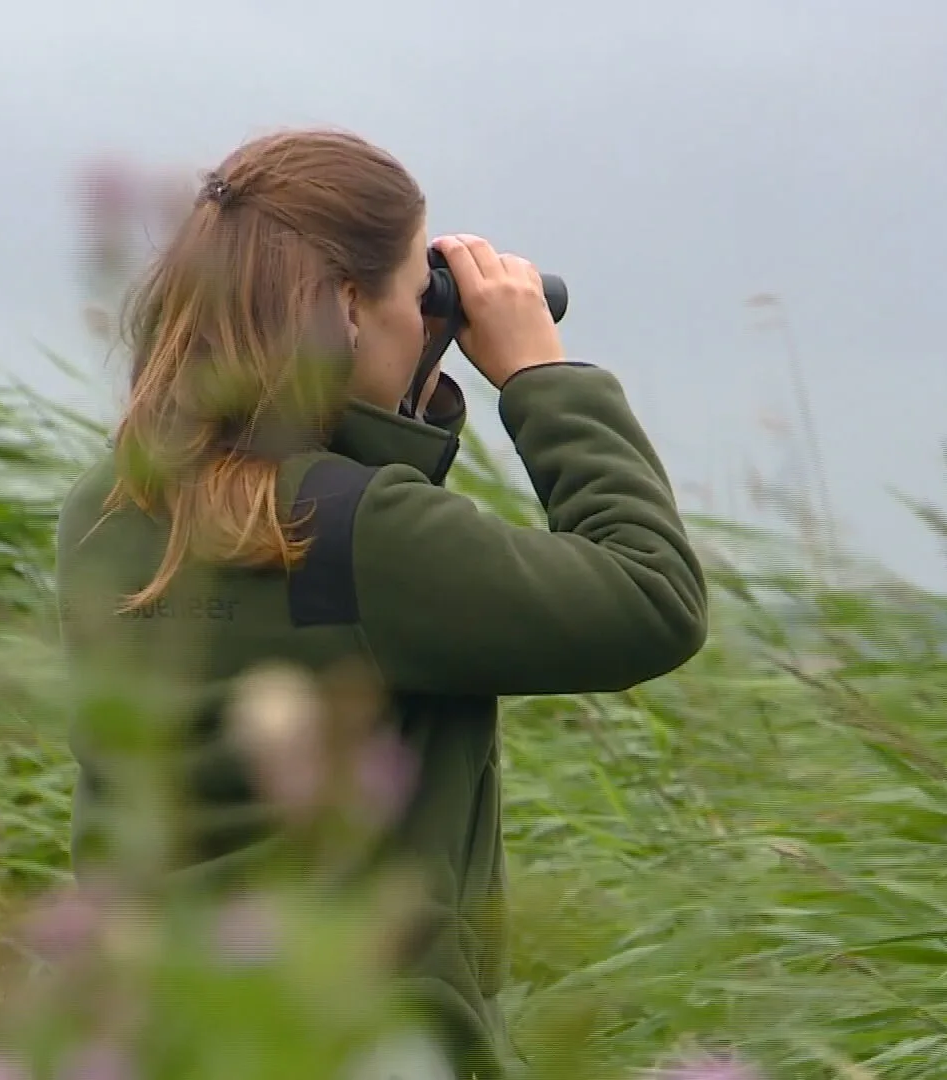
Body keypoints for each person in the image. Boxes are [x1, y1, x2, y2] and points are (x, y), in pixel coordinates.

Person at [55, 128, 708, 1078]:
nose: (429, 317)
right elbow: (655, 595)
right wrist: (539, 376)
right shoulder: (360, 535)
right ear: (349, 313)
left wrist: (401, 405)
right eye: (418, 293)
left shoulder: (108, 508)